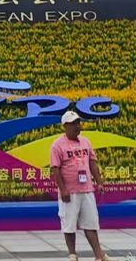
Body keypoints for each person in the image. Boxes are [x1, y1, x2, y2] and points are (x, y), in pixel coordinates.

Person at [50, 111, 117, 261]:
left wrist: (99, 182)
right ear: (65, 126)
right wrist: (63, 190)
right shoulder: (57, 145)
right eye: (73, 124)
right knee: (69, 225)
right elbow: (55, 169)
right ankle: (73, 254)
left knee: (91, 224)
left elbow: (92, 163)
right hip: (69, 193)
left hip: (87, 190)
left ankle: (99, 255)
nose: (77, 126)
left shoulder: (85, 142)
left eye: (78, 123)